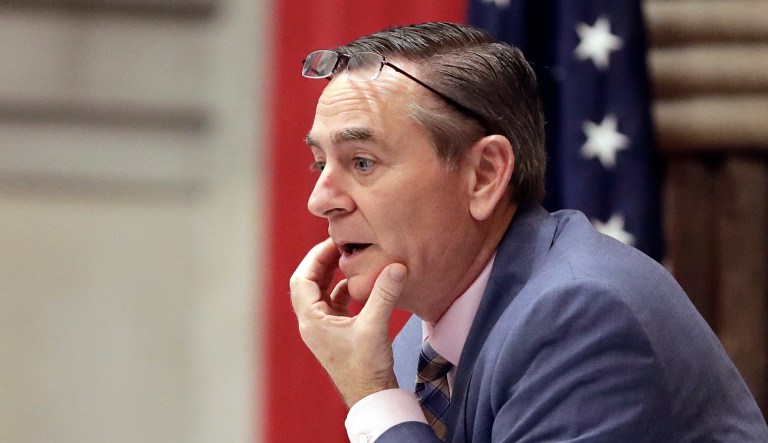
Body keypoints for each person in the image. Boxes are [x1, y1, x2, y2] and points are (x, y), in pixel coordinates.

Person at [289, 22, 768, 442]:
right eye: (319, 163)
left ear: (483, 175)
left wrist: (373, 397)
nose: (320, 199)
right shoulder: (420, 343)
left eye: (363, 162)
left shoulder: (582, 316)